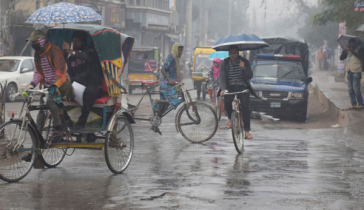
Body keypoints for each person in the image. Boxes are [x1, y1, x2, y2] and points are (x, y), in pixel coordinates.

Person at [27, 30, 73, 142]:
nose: (34, 44)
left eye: (35, 41)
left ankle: (58, 127)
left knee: (49, 100)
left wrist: (54, 85)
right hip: (47, 86)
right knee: (41, 112)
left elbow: (60, 71)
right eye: (32, 42)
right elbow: (38, 72)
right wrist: (32, 84)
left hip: (63, 84)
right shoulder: (37, 54)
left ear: (42, 41)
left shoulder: (55, 51)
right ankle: (37, 142)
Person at [62, 31, 104, 131]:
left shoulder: (90, 51)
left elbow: (85, 56)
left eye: (77, 41)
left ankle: (81, 123)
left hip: (93, 85)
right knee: (58, 93)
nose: (75, 43)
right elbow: (70, 73)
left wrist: (72, 52)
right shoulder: (70, 58)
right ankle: (66, 121)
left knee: (89, 92)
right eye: (73, 41)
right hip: (77, 86)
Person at [219, 45, 253, 139]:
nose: (232, 55)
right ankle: (230, 118)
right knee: (227, 101)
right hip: (230, 86)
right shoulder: (225, 63)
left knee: (245, 107)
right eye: (230, 53)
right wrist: (222, 89)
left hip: (242, 86)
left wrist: (244, 68)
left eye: (234, 53)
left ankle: (246, 131)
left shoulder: (244, 61)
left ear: (238, 53)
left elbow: (250, 75)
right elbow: (222, 77)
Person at [151, 43, 183, 133]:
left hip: (170, 85)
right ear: (176, 49)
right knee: (175, 101)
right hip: (166, 84)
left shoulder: (175, 58)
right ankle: (156, 101)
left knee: (163, 107)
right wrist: (169, 80)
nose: (181, 52)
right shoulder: (171, 57)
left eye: (182, 50)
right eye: (180, 50)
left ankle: (154, 125)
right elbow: (163, 69)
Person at [340, 38, 364, 109]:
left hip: (356, 71)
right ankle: (353, 103)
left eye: (351, 43)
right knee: (350, 89)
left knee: (356, 89)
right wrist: (344, 50)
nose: (350, 45)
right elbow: (341, 58)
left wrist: (352, 51)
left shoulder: (360, 49)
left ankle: (361, 103)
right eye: (349, 43)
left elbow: (360, 56)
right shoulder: (348, 50)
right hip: (349, 71)